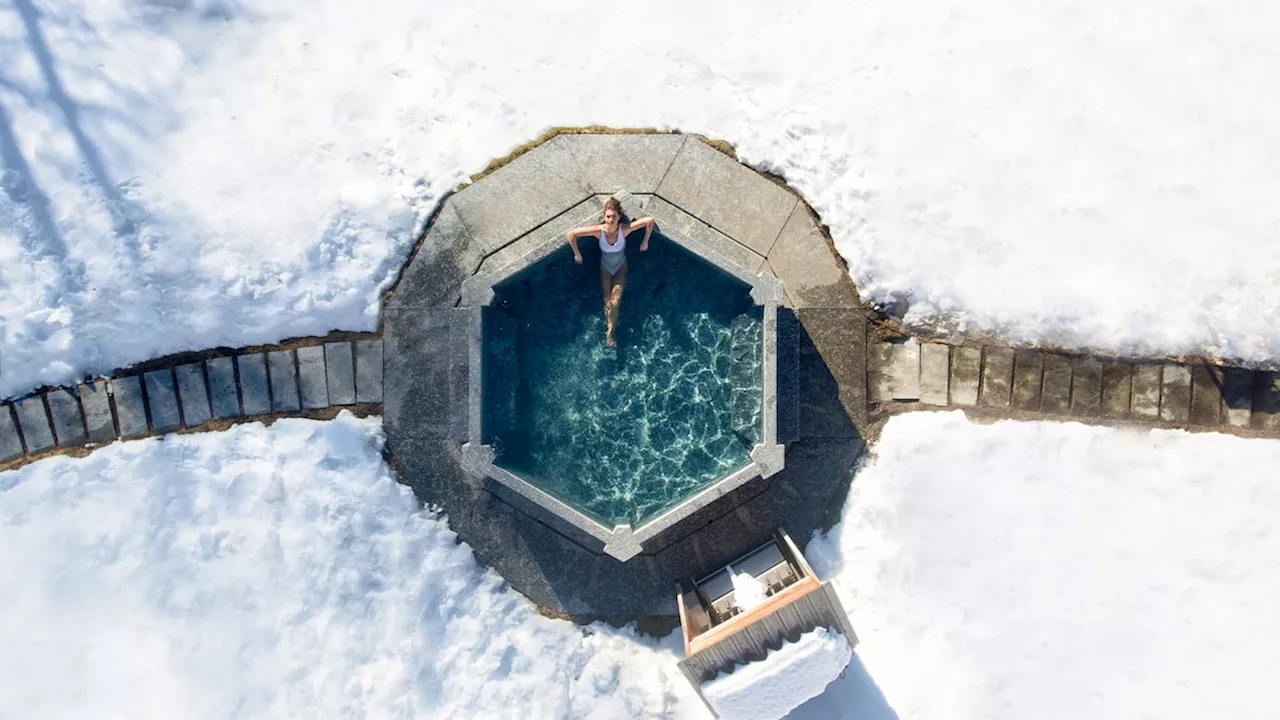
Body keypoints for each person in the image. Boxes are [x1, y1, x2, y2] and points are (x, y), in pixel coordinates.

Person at [565, 197, 655, 347]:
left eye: (613, 216)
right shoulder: (599, 232)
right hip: (605, 268)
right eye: (608, 216)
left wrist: (645, 241)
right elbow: (571, 234)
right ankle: (610, 327)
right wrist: (577, 254)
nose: (610, 220)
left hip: (621, 267)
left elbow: (649, 220)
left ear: (619, 216)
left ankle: (611, 332)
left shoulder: (624, 230)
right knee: (607, 301)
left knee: (616, 301)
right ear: (604, 216)